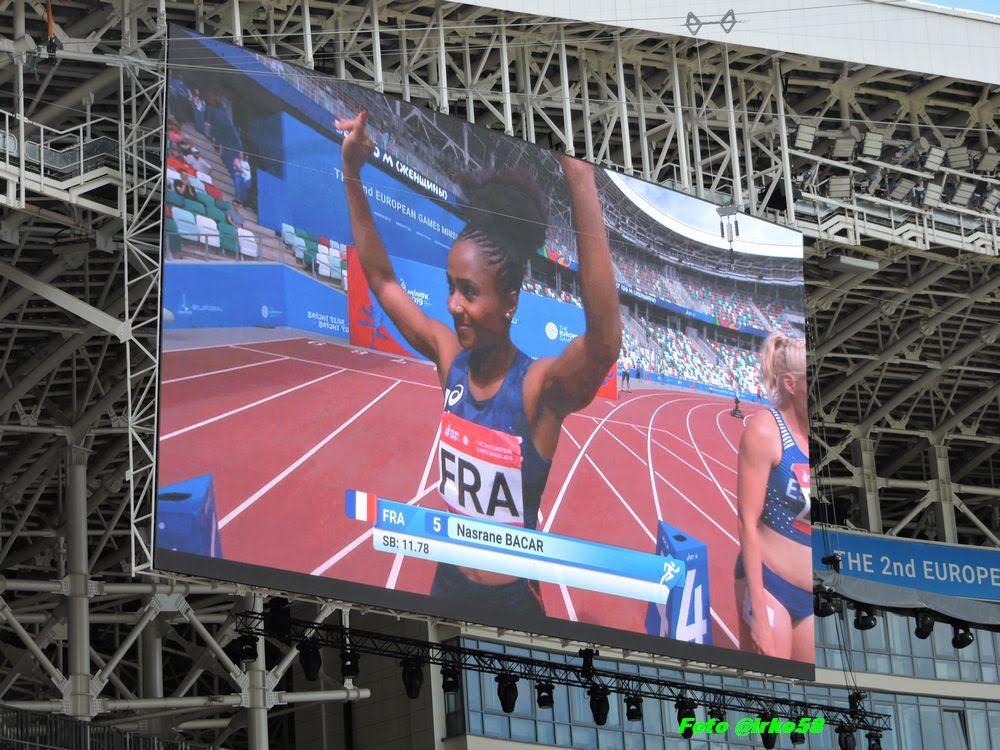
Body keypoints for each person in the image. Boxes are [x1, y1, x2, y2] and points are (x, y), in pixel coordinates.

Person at [336, 111, 621, 617]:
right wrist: (352, 175)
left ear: (510, 301)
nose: (453, 305)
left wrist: (580, 178)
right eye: (451, 287)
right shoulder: (451, 361)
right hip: (447, 588)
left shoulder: (537, 389)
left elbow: (603, 343)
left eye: (469, 292)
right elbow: (382, 280)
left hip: (512, 603)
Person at [734, 333, 812, 661]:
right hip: (770, 584)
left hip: (811, 599)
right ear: (792, 384)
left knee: (812, 692)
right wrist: (759, 614)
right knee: (771, 689)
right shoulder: (766, 430)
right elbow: (747, 522)